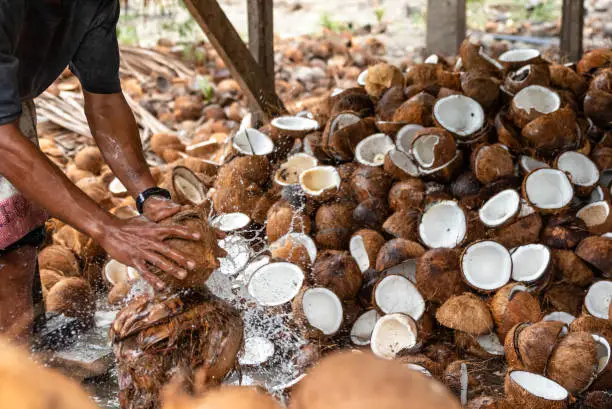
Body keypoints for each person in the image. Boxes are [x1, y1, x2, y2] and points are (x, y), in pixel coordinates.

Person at [0, 0, 200, 340]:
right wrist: (108, 230)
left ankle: (20, 360)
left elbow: (104, 99)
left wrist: (148, 194)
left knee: (16, 253)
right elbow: (3, 142)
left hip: (7, 111)